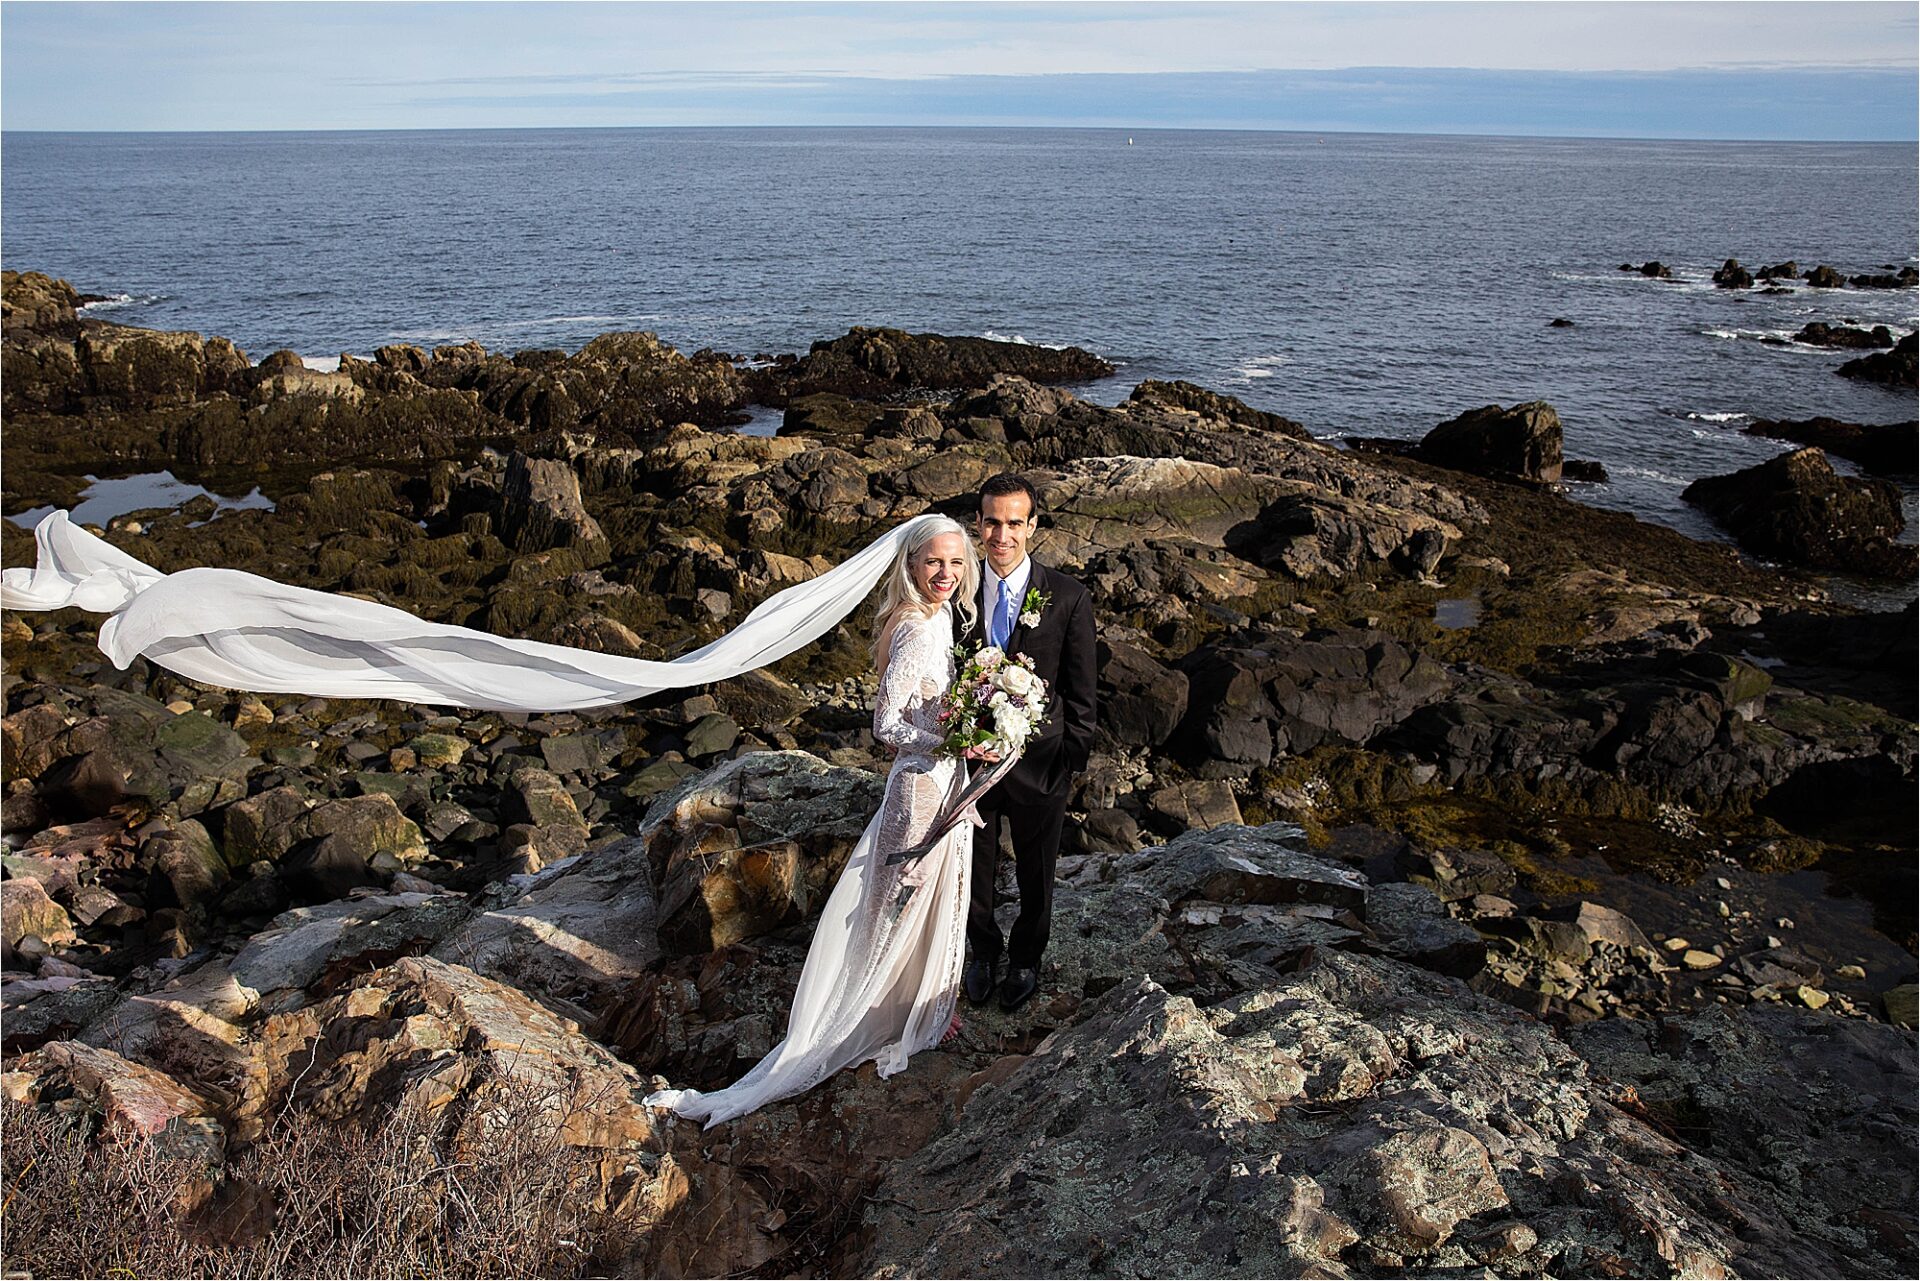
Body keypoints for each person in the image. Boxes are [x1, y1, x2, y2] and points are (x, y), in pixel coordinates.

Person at [645, 518, 981, 1126]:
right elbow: (888, 727)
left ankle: (913, 1007)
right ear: (910, 564)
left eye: (955, 564)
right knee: (896, 901)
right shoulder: (913, 628)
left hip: (940, 778)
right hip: (920, 785)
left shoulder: (941, 619)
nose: (946, 575)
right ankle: (864, 1017)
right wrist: (954, 738)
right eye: (934, 563)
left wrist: (964, 735)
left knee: (931, 896)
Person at [961, 474, 1098, 1011]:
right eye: (992, 521)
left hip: (1042, 765)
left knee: (1037, 871)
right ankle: (981, 952)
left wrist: (1071, 761)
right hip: (971, 762)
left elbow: (1083, 690)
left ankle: (1025, 959)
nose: (1002, 535)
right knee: (974, 865)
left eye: (1014, 523)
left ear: (1032, 526)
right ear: (978, 524)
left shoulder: (1068, 596)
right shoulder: (959, 591)